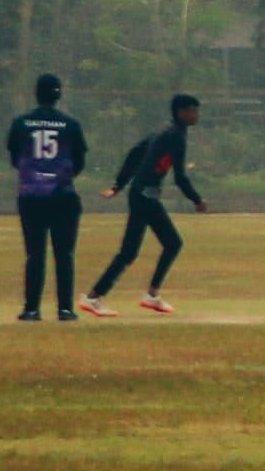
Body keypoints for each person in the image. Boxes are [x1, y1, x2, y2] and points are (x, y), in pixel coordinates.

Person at [80, 94, 205, 318]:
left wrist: (119, 185)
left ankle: (149, 295)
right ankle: (93, 297)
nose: (197, 115)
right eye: (193, 111)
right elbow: (180, 177)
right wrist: (197, 200)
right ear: (181, 112)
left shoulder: (164, 132)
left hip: (143, 194)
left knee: (168, 244)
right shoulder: (175, 136)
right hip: (144, 195)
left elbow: (134, 153)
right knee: (136, 250)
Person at [6, 74, 89, 323]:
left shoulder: (21, 123)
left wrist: (36, 177)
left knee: (35, 254)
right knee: (64, 254)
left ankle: (31, 309)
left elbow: (14, 158)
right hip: (63, 196)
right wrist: (57, 177)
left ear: (36, 93)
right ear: (58, 94)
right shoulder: (70, 124)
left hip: (31, 196)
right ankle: (65, 309)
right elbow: (79, 161)